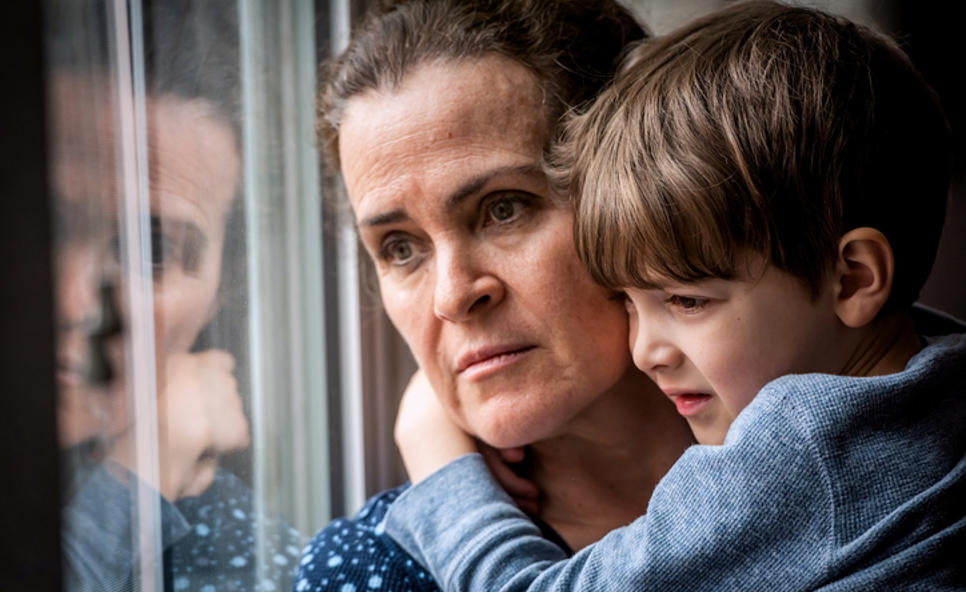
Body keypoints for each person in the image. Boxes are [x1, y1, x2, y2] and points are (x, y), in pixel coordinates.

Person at [382, 1, 966, 590]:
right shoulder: (942, 376)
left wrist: (438, 462)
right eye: (629, 302)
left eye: (687, 301)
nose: (646, 350)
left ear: (855, 279)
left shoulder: (806, 448)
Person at [295, 1, 694, 590]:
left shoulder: (841, 464)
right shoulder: (371, 570)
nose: (452, 297)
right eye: (401, 248)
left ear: (637, 192)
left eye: (503, 209)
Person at [51, 1, 302, 589]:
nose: (69, 300)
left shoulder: (244, 556)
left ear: (221, 293)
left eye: (153, 250)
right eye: (44, 222)